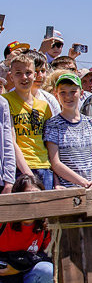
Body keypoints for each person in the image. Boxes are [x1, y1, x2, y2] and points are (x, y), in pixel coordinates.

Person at [0, 174, 55, 283]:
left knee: (48, 270)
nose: (31, 203)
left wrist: (17, 269)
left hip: (25, 279)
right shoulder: (3, 221)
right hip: (2, 280)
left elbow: (48, 257)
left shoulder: (44, 225)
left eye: (36, 198)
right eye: (26, 198)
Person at [44, 72, 92, 189]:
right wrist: (83, 182)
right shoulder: (52, 125)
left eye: (73, 92)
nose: (68, 96)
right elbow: (55, 163)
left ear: (81, 93)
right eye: (63, 92)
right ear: (56, 95)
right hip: (69, 191)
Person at [4, 53, 54, 188]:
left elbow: (49, 142)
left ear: (35, 75)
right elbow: (10, 140)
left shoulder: (44, 106)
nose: (24, 77)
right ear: (11, 75)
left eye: (28, 73)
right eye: (18, 73)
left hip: (44, 166)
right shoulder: (5, 101)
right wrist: (27, 173)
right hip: (19, 169)